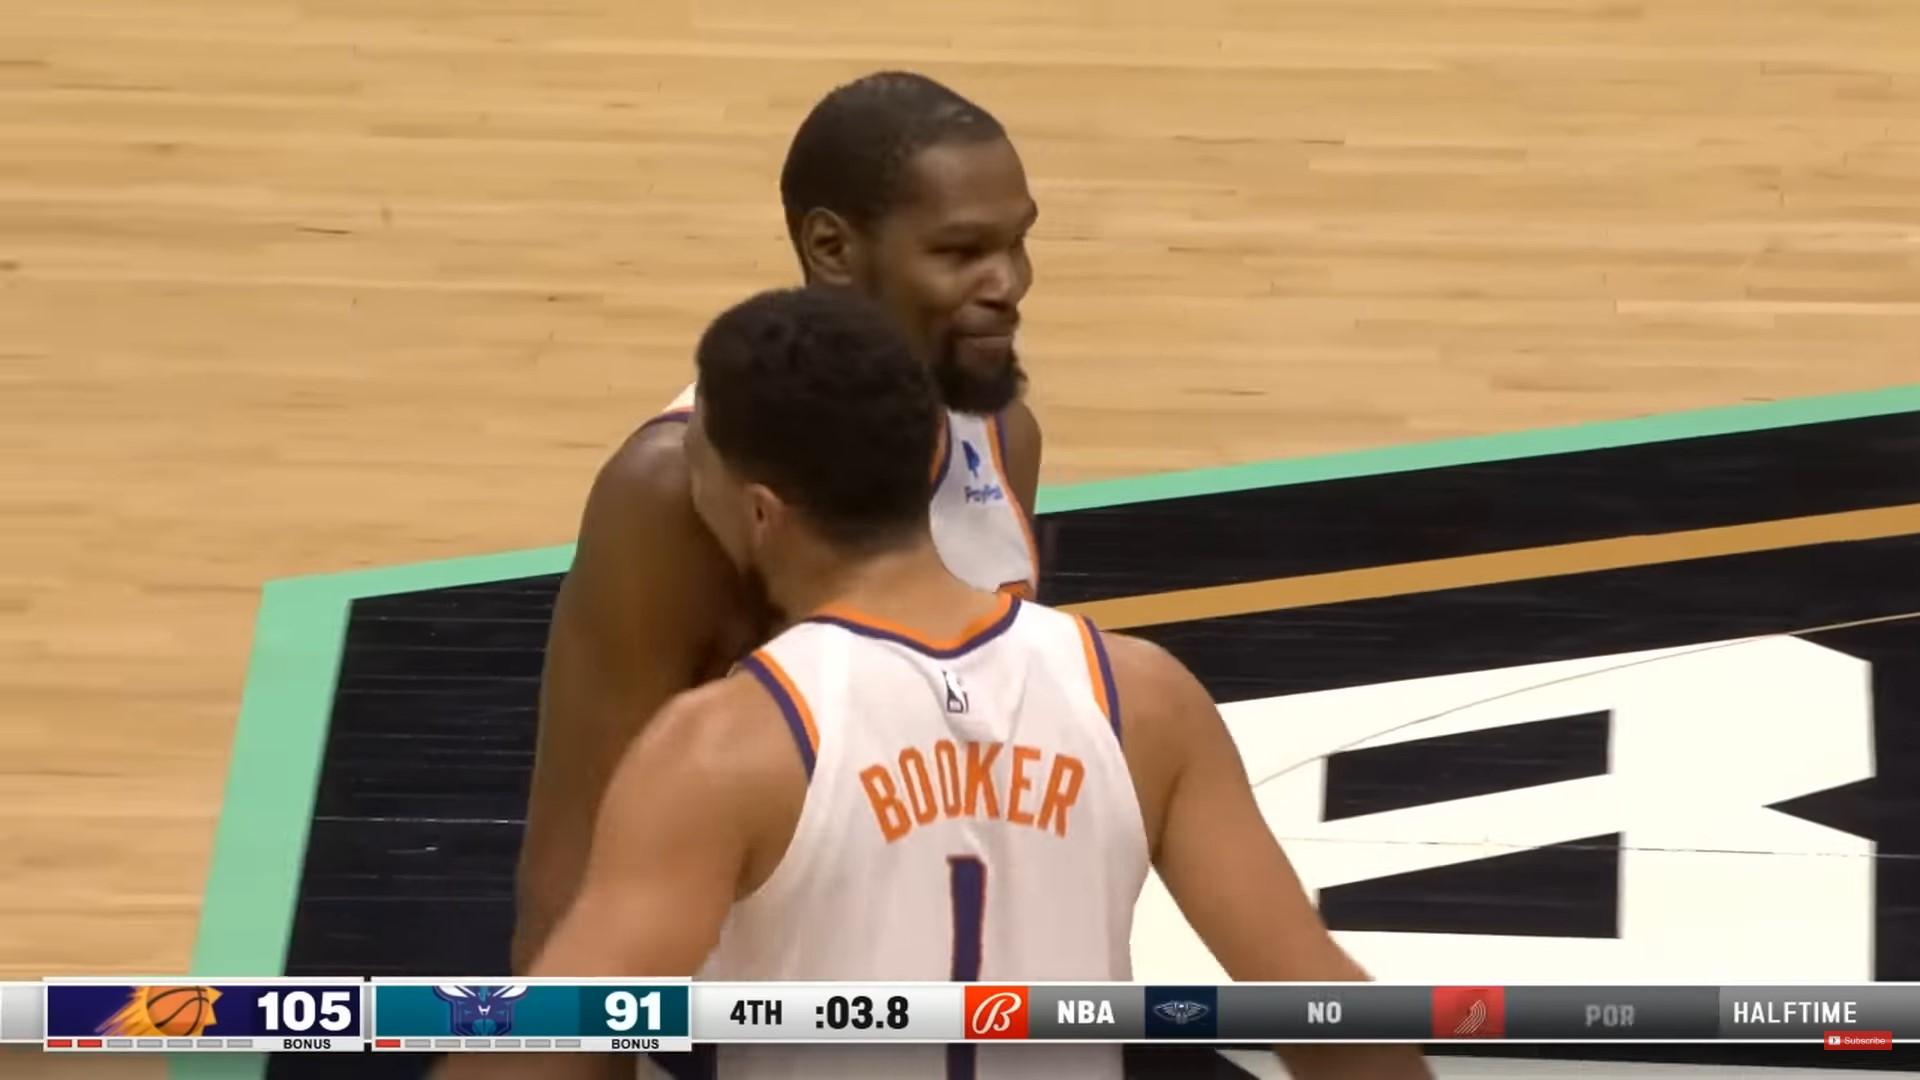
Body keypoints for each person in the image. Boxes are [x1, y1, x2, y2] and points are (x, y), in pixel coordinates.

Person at [454, 288, 1431, 1080]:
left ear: (756, 512)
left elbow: (555, 1037)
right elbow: (1332, 1019)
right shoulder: (1143, 698)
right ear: (934, 457)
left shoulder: (721, 748)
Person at [515, 71, 1045, 973]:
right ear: (832, 248)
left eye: (1018, 242)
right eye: (961, 252)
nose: (1010, 284)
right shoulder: (672, 493)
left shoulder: (1002, 433)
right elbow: (575, 858)